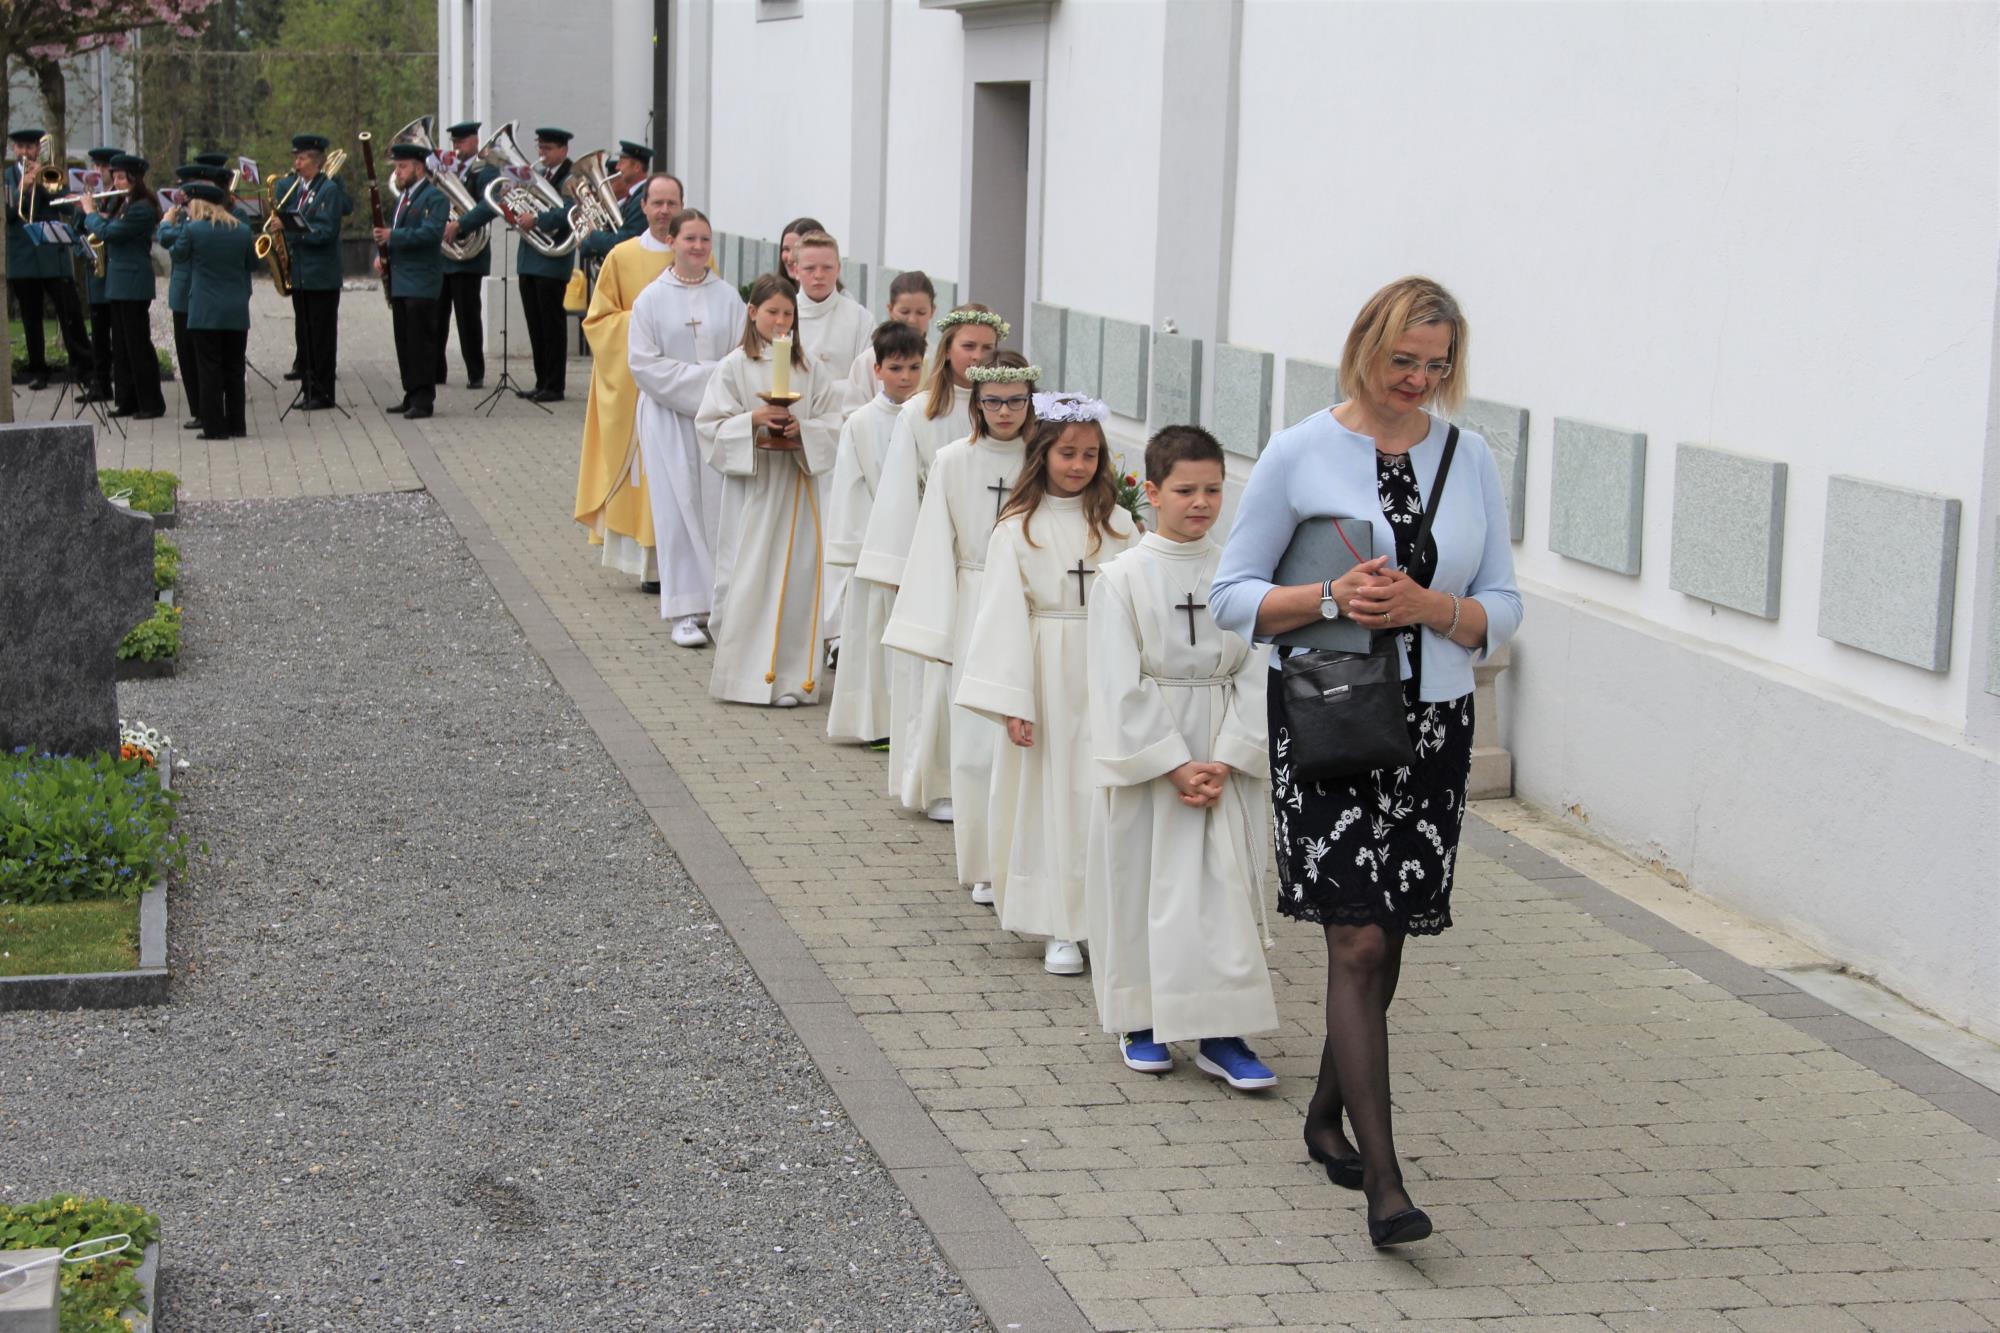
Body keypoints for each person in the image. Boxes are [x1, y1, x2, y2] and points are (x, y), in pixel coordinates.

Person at [1209, 276, 1523, 1249]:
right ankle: (1384, 1185)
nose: (1418, 379)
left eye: (1436, 364)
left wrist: (1435, 609)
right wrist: (1329, 597)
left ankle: (1322, 1115)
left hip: (1432, 726)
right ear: (1363, 349)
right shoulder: (1300, 450)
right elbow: (1231, 594)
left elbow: (1504, 603)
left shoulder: (1469, 456)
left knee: (1385, 936)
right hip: (1330, 716)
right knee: (1353, 941)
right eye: (1402, 360)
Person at [1084, 425, 1278, 1088]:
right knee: (1142, 885)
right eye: (1187, 490)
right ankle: (1141, 1020)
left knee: (1223, 891)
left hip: (1222, 750)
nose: (1201, 503)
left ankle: (1222, 1031)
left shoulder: (1241, 575)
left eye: (1214, 490)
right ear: (1153, 491)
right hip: (1154, 764)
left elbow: (1258, 669)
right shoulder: (1121, 578)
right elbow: (1116, 681)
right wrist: (1173, 762)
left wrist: (1228, 756)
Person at [955, 391, 1139, 974]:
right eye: (1067, 453)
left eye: (1090, 454)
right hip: (1046, 671)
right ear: (1043, 455)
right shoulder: (1018, 528)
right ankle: (1061, 922)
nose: (1079, 465)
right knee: (1053, 796)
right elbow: (1001, 615)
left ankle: (1108, 920)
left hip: (1108, 666)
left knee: (1102, 794)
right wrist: (1014, 701)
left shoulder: (1119, 524)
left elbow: (1143, 598)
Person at [880, 353, 1038, 912]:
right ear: (978, 404)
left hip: (1031, 603)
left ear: (1030, 403)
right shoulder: (952, 460)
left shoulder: (1044, 459)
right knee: (973, 744)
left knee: (1023, 743)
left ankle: (1022, 860)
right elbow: (932, 543)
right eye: (993, 400)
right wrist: (936, 627)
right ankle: (983, 865)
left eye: (1015, 401)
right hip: (973, 598)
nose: (1004, 411)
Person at [855, 305, 1003, 817]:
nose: (978, 357)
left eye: (988, 348)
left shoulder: (1008, 410)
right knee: (938, 675)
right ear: (947, 349)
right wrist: (901, 572)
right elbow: (898, 491)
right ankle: (937, 783)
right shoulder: (920, 412)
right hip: (938, 557)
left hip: (993, 561)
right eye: (969, 346)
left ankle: (987, 782)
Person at [695, 273, 844, 706]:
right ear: (752, 312)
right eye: (772, 312)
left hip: (797, 486)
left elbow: (834, 424)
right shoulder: (733, 367)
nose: (781, 322)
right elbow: (709, 426)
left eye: (788, 314)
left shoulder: (809, 368)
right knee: (746, 578)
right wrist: (753, 422)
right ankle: (744, 677)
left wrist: (803, 431)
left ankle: (794, 679)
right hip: (754, 488)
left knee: (798, 580)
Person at [628, 205, 744, 643]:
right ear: (671, 241)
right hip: (666, 416)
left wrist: (713, 390)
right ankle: (683, 612)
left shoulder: (728, 297)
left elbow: (741, 357)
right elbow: (643, 365)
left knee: (719, 507)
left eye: (705, 239)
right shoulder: (650, 299)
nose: (698, 246)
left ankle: (721, 605)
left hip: (719, 418)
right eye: (689, 238)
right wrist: (706, 382)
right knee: (674, 509)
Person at [572, 175, 689, 592]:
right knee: (644, 475)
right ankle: (647, 564)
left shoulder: (695, 254)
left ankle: (683, 563)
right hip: (634, 387)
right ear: (643, 206)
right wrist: (644, 323)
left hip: (682, 385)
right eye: (657, 203)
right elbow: (599, 320)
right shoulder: (622, 256)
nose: (664, 211)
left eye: (672, 203)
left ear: (682, 207)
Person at [826, 320, 927, 744]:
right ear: (877, 370)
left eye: (914, 367)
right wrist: (867, 547)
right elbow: (850, 486)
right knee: (874, 637)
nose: (905, 377)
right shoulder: (862, 423)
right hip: (877, 547)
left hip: (924, 542)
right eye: (896, 368)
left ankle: (916, 725)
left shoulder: (929, 415)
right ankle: (877, 724)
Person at [167, 179, 258, 440]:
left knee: (209, 369)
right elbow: (252, 264)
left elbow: (177, 255)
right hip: (235, 309)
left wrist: (166, 224)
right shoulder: (242, 230)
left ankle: (215, 427)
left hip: (205, 310)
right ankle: (237, 425)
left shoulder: (193, 230)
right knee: (235, 368)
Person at [4, 127, 93, 393]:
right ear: (14, 149)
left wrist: (42, 182)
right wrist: (22, 188)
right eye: (20, 147)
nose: (25, 152)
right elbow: (8, 215)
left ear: (37, 149)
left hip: (52, 255)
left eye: (30, 147)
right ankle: (38, 370)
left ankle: (84, 368)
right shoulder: (7, 178)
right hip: (23, 258)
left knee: (70, 312)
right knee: (31, 318)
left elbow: (64, 205)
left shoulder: (50, 173)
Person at [78, 154, 165, 419]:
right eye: (114, 177)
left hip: (133, 282)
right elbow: (109, 225)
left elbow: (111, 233)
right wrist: (97, 212)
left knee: (137, 345)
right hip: (118, 282)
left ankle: (150, 403)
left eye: (120, 178)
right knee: (122, 346)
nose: (115, 182)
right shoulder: (123, 203)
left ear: (134, 179)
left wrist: (91, 213)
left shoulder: (142, 207)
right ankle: (127, 401)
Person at [275, 134, 351, 411]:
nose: (296, 163)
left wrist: (289, 228)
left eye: (302, 158)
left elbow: (326, 232)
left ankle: (323, 393)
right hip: (302, 274)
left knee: (321, 338)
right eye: (296, 158)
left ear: (317, 162)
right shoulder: (301, 188)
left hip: (321, 276)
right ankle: (309, 390)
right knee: (305, 336)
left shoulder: (328, 190)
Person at [373, 142, 449, 419]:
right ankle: (410, 393)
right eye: (397, 166)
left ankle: (423, 399)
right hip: (402, 281)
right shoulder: (403, 198)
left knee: (421, 343)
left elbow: (430, 234)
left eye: (403, 166)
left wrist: (392, 237)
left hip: (421, 282)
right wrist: (383, 255)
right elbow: (394, 232)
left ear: (418, 168)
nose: (398, 172)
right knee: (404, 342)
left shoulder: (435, 198)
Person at [505, 126, 576, 403]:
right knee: (535, 325)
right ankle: (541, 381)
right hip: (530, 259)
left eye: (548, 149)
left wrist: (537, 220)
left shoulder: (571, 177)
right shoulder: (539, 176)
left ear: (563, 150)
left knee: (551, 326)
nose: (542, 153)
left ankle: (555, 385)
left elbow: (571, 211)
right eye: (540, 147)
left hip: (552, 262)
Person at [434, 120, 500, 389]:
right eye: (454, 143)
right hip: (444, 255)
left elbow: (490, 204)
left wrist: (460, 224)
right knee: (437, 317)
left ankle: (475, 373)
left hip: (468, 255)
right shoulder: (447, 170)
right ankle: (436, 371)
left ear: (475, 141)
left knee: (467, 318)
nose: (457, 147)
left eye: (461, 142)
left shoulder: (485, 170)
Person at [157, 165, 211, 429]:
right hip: (182, 293)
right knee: (185, 355)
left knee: (197, 355)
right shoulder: (187, 219)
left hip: (197, 292)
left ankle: (204, 409)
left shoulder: (198, 220)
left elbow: (169, 238)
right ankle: (197, 408)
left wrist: (166, 222)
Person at [844, 269, 934, 410]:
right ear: (890, 309)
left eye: (921, 312)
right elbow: (852, 412)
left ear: (932, 311)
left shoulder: (939, 359)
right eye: (904, 312)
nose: (912, 320)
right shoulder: (868, 360)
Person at [78, 145, 120, 403]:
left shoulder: (119, 197)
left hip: (112, 271)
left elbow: (110, 226)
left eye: (104, 167)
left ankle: (118, 384)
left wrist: (93, 213)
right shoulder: (94, 195)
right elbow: (81, 227)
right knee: (99, 333)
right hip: (96, 270)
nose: (99, 171)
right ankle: (100, 384)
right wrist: (81, 208)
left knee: (116, 333)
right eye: (96, 166)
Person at [577, 141, 656, 266]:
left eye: (622, 162)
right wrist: (586, 242)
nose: (618, 167)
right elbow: (614, 233)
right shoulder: (634, 197)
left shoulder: (642, 199)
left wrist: (593, 234)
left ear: (637, 167)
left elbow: (625, 241)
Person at [778, 216, 824, 281]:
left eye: (797, 249)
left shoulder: (835, 288)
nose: (790, 258)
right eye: (786, 249)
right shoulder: (773, 286)